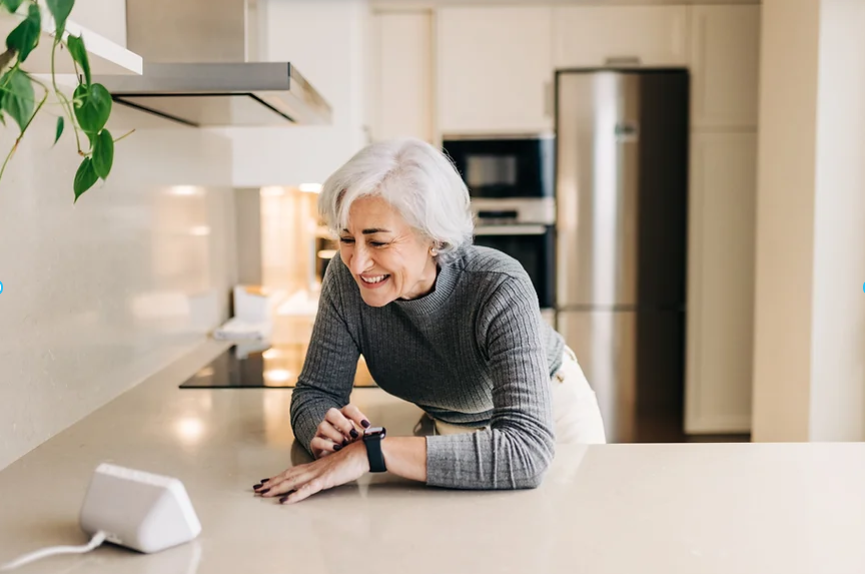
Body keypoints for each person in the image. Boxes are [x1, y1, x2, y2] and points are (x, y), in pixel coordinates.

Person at [253, 138, 606, 504]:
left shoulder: (498, 285)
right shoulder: (343, 282)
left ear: (433, 238)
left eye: (378, 242)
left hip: (552, 419)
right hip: (452, 428)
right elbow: (315, 392)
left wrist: (371, 452)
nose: (356, 263)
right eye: (346, 238)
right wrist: (323, 428)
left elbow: (526, 452)